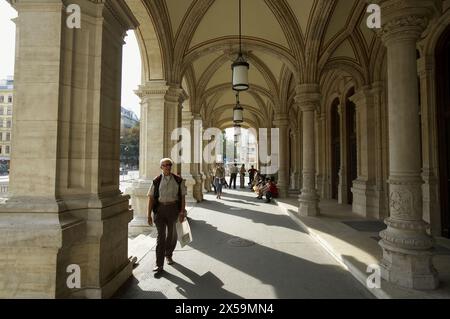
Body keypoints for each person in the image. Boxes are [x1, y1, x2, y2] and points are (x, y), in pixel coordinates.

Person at [147, 158, 187, 274]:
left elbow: (183, 197)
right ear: (161, 167)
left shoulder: (178, 180)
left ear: (171, 166)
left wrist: (182, 212)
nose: (167, 167)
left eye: (169, 165)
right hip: (159, 210)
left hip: (173, 209)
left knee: (172, 235)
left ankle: (168, 254)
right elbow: (151, 198)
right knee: (161, 237)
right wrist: (148, 215)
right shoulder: (156, 180)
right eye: (164, 165)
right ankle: (159, 264)